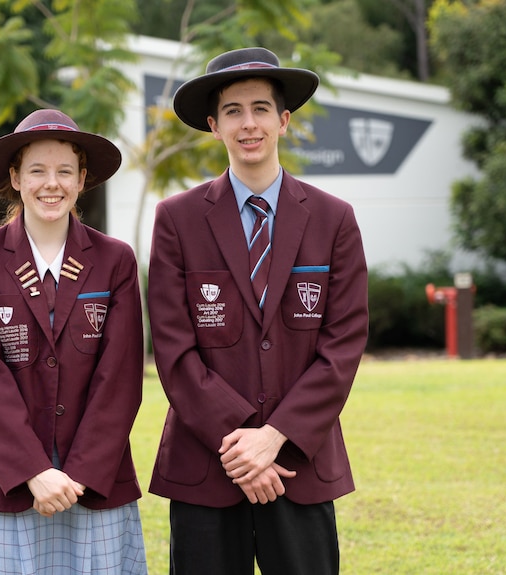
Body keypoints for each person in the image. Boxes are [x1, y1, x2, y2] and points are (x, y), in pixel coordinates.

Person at [147, 47, 369, 574]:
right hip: (205, 466)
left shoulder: (334, 220)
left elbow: (343, 346)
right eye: (233, 111)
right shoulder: (176, 220)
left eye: (261, 109)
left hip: (299, 463)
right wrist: (242, 450)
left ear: (284, 120)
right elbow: (174, 352)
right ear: (214, 125)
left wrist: (274, 438)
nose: (248, 124)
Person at [0, 108, 148, 575]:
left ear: (82, 179)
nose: (51, 184)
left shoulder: (114, 260)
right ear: (15, 178)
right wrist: (34, 472)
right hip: (10, 480)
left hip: (95, 478)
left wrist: (76, 474)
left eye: (64, 171)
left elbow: (119, 379)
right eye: (37, 170)